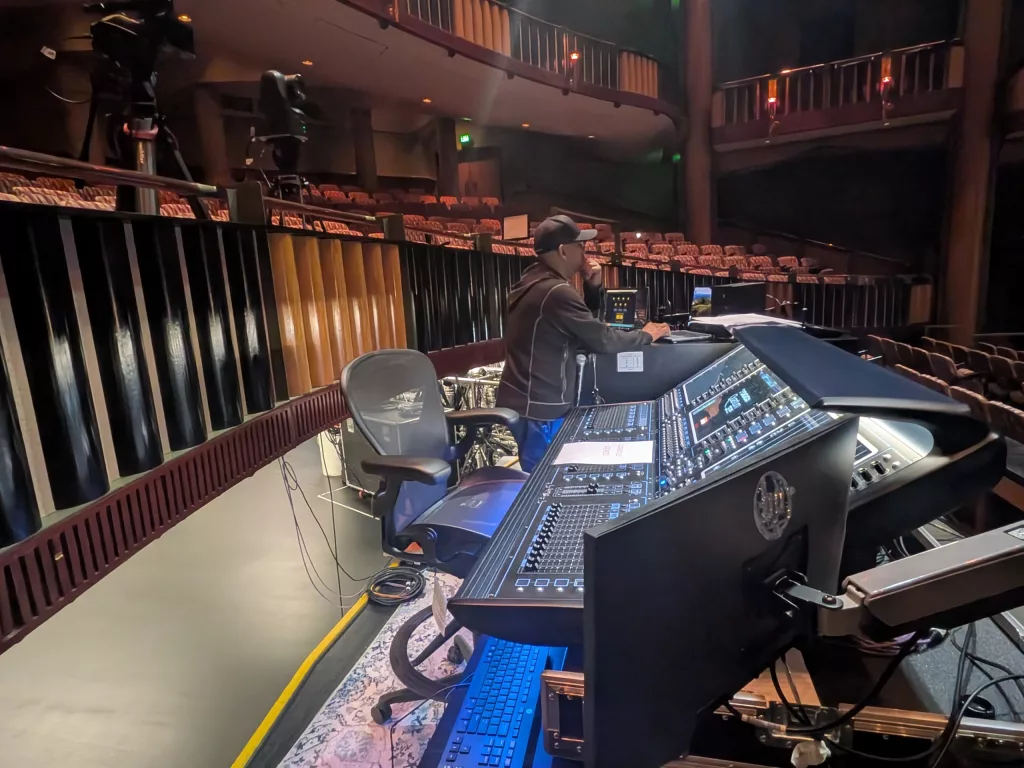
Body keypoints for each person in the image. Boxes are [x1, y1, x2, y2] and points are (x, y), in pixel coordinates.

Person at [497, 215, 670, 471]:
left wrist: (592, 288)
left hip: (527, 404)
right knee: (542, 482)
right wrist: (647, 335)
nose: (585, 250)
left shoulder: (535, 281)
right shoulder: (555, 291)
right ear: (563, 251)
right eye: (580, 245)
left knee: (541, 477)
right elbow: (603, 340)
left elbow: (577, 327)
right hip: (539, 410)